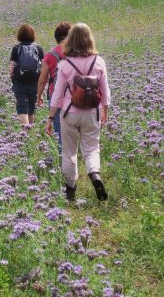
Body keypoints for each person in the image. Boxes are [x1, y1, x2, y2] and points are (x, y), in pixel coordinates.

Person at [45, 23, 110, 201]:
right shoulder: (99, 62)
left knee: (69, 152)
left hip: (69, 114)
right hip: (92, 112)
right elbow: (105, 89)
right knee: (91, 149)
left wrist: (51, 117)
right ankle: (95, 175)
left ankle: (71, 191)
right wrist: (105, 109)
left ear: (70, 40)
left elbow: (57, 94)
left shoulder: (65, 64)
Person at [37, 22, 71, 148]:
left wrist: (38, 96)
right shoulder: (78, 53)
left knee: (60, 131)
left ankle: (65, 162)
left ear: (56, 38)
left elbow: (42, 80)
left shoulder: (50, 56)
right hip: (77, 96)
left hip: (56, 97)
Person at [10, 24, 44, 126]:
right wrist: (41, 89)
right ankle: (30, 131)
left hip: (20, 83)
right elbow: (43, 67)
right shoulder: (38, 48)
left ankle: (25, 132)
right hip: (35, 83)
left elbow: (11, 67)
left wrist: (13, 78)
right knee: (31, 109)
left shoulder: (16, 48)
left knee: (22, 109)